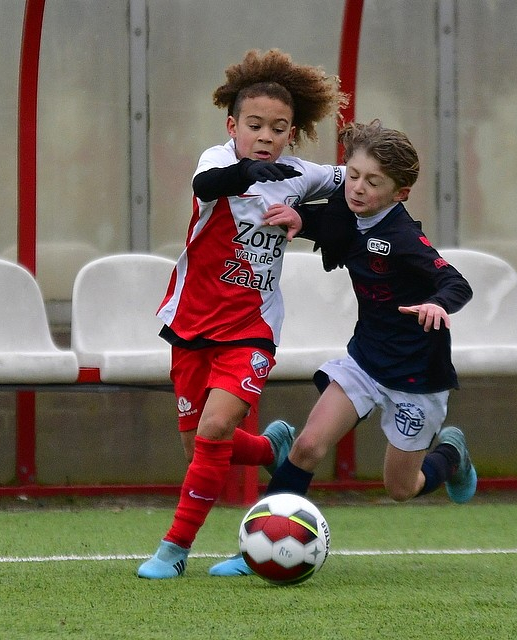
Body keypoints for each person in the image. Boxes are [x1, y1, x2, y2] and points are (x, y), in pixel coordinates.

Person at [209, 120, 476, 577]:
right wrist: (300, 220)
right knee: (307, 446)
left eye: (373, 182)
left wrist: (436, 303)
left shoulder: (403, 238)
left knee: (400, 488)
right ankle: (256, 549)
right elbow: (331, 224)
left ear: (400, 193)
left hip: (416, 376)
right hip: (365, 361)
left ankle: (451, 457)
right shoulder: (345, 209)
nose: (357, 188)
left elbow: (455, 282)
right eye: (352, 175)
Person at [138, 49, 346, 579]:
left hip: (252, 329)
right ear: (233, 127)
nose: (265, 136)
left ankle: (174, 550)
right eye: (254, 125)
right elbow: (205, 187)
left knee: (213, 428)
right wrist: (248, 171)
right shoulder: (216, 162)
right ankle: (270, 447)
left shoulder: (300, 174)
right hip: (190, 322)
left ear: (291, 133)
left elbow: (357, 186)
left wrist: (308, 214)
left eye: (278, 129)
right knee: (197, 445)